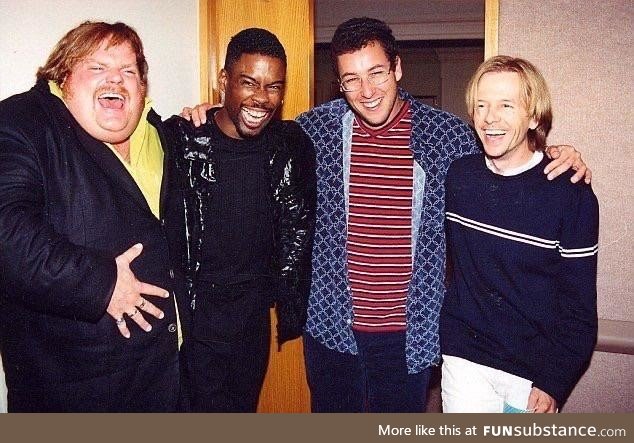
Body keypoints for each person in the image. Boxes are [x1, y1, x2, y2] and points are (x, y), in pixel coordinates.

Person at [183, 17, 590, 413]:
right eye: (351, 79)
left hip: (408, 337)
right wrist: (208, 116)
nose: (367, 90)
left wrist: (553, 153)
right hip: (330, 330)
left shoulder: (448, 136)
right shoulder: (313, 130)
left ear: (397, 68)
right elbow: (254, 129)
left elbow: (504, 153)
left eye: (376, 72)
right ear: (340, 85)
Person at [0, 21, 180, 412]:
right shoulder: (20, 122)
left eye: (129, 71)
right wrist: (101, 284)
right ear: (64, 77)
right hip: (76, 393)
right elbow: (6, 234)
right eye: (97, 67)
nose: (116, 78)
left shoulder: (159, 134)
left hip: (164, 382)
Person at [164, 28, 316, 412]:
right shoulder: (181, 140)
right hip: (195, 316)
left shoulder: (290, 143)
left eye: (274, 87)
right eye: (249, 83)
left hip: (252, 321)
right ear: (223, 81)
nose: (261, 98)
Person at [440, 56, 598, 413]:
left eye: (506, 105)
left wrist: (554, 381)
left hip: (532, 371)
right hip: (465, 360)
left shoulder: (569, 191)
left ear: (533, 117)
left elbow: (579, 307)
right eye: (481, 105)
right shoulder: (459, 177)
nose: (489, 117)